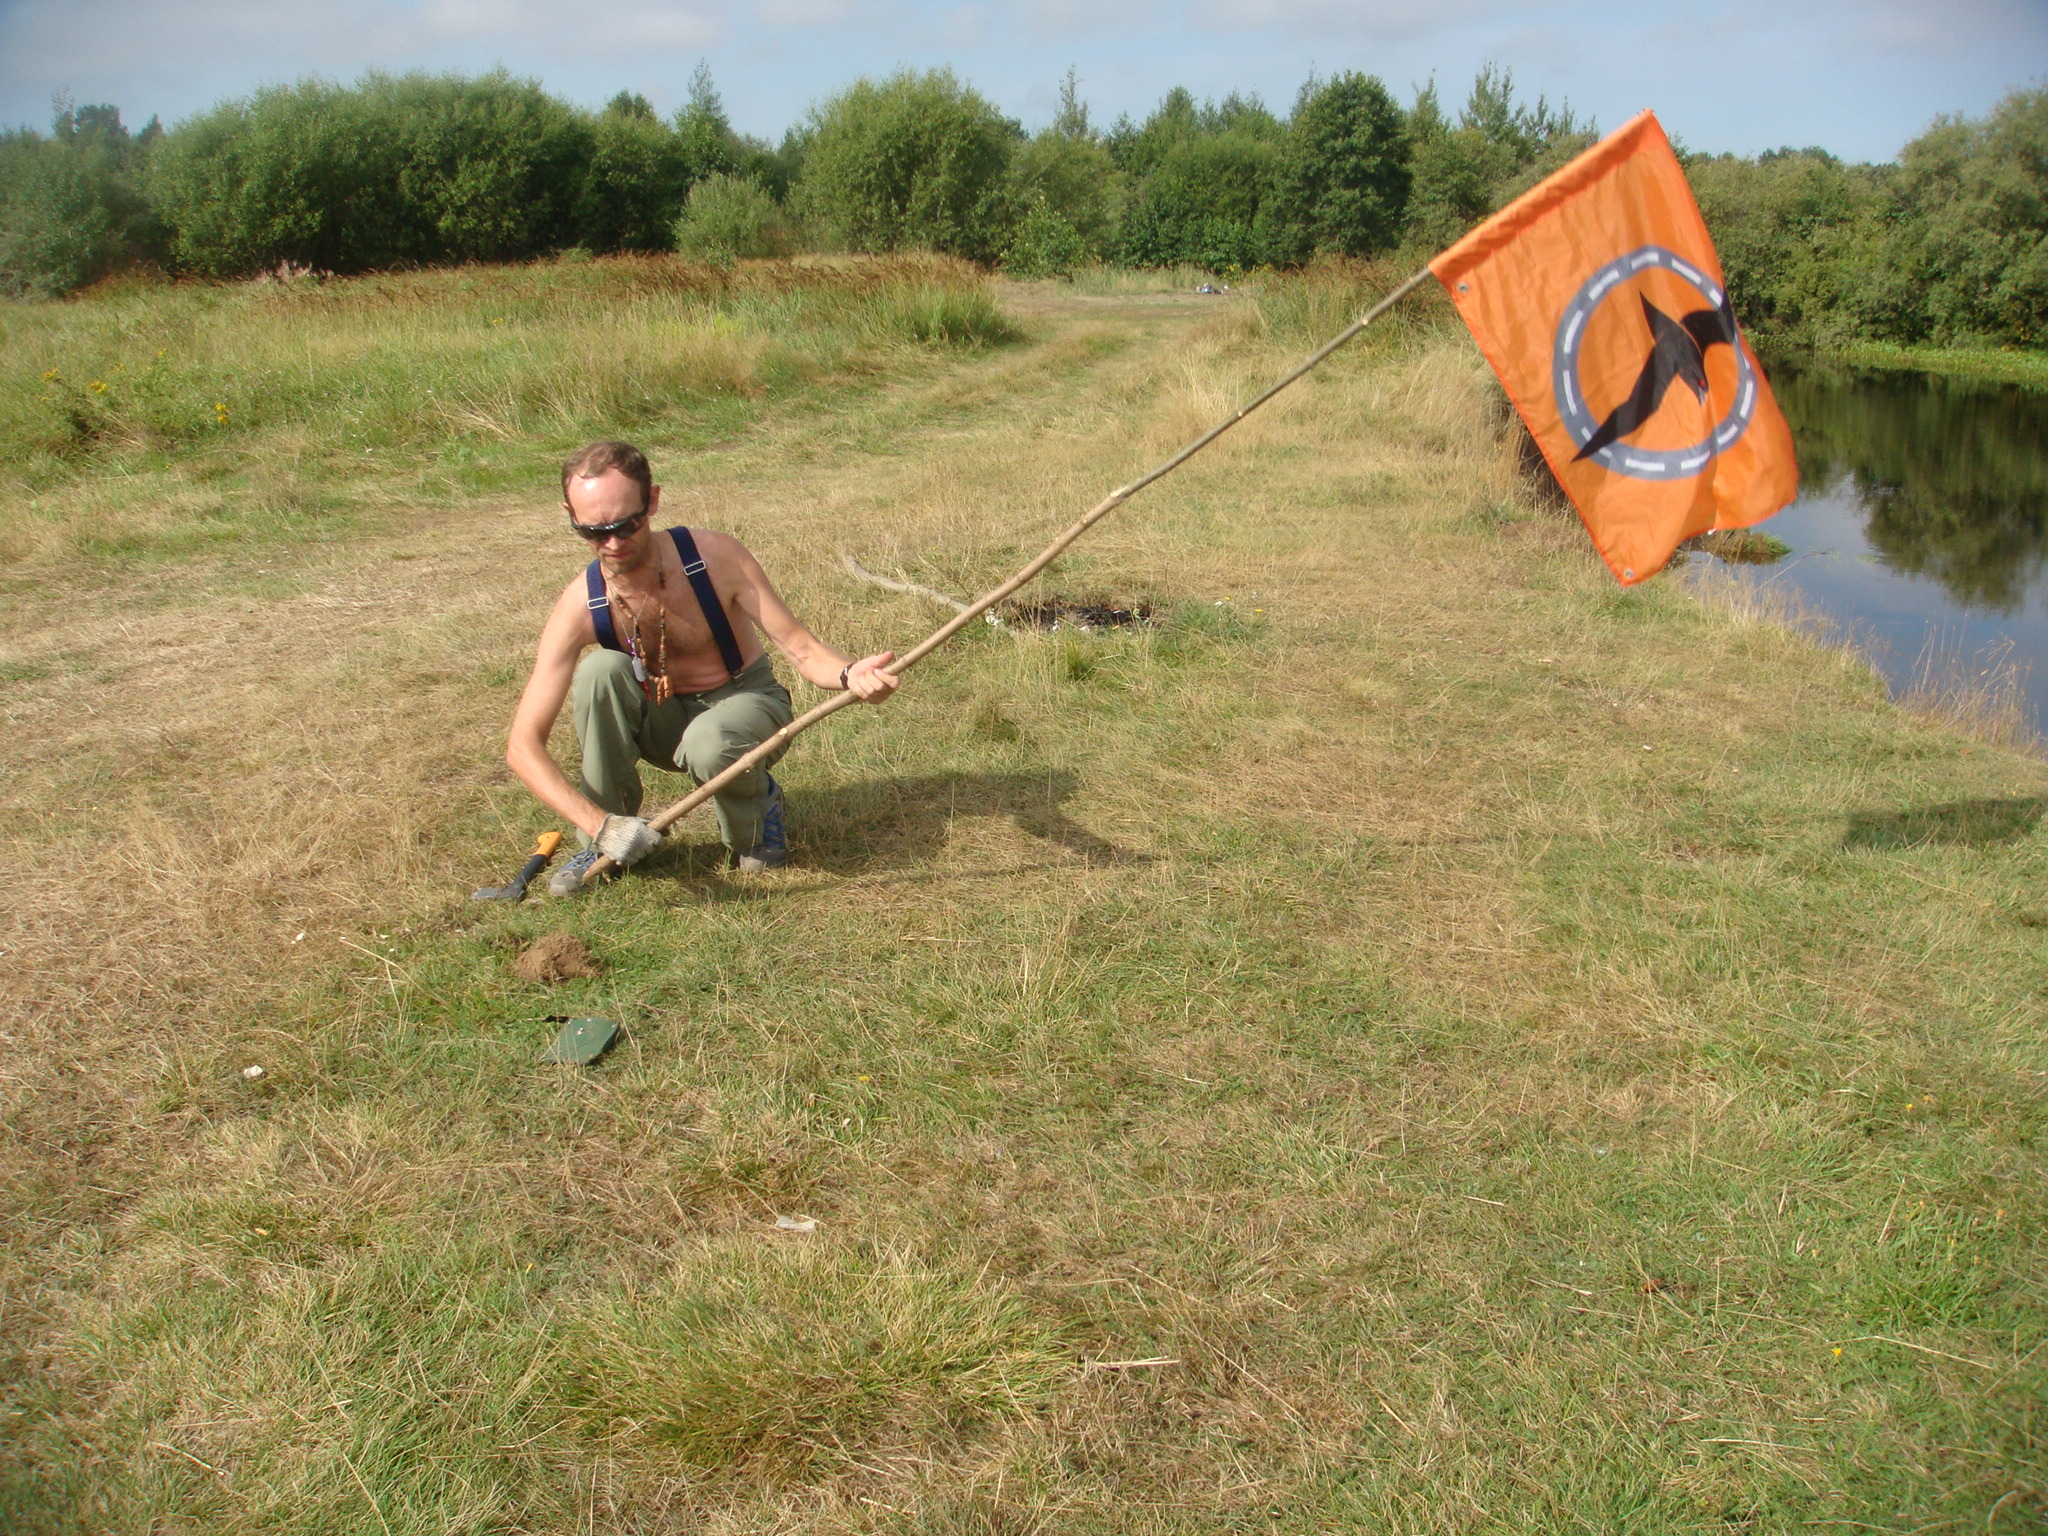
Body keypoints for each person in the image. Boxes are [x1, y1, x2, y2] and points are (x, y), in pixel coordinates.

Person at [506, 441, 899, 896]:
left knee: (710, 742)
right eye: (593, 532)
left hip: (745, 706)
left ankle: (757, 820)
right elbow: (522, 746)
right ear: (570, 515)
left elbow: (803, 650)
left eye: (627, 525)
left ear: (652, 501)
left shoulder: (713, 558)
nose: (612, 544)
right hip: (663, 722)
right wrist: (599, 824)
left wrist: (851, 674)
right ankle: (609, 844)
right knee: (600, 672)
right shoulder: (580, 603)